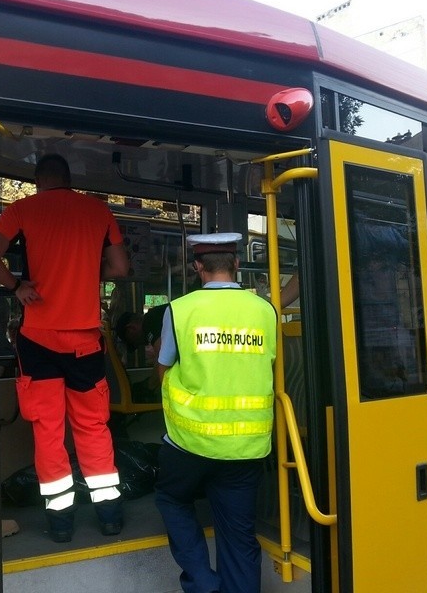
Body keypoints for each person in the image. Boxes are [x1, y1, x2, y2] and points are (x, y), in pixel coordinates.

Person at [0, 153, 129, 542]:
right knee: (92, 426)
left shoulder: (22, 209)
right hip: (85, 342)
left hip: (38, 341)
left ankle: (61, 524)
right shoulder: (98, 211)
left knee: (48, 431)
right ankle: (109, 517)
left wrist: (17, 287)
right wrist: (90, 271)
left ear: (40, 181)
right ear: (70, 179)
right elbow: (119, 268)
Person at [154, 232, 278, 593]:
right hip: (247, 446)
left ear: (198, 267)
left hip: (189, 443)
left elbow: (163, 370)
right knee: (238, 535)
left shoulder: (180, 309)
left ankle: (203, 582)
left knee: (171, 498)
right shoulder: (264, 310)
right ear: (237, 264)